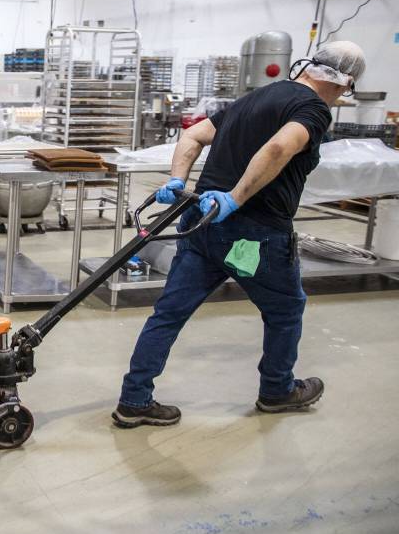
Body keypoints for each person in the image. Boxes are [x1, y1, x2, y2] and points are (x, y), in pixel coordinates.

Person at [112, 41, 367, 428]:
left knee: (169, 313)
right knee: (285, 311)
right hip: (255, 234)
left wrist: (177, 180)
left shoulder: (255, 97)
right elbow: (280, 147)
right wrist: (235, 198)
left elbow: (192, 136)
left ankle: (134, 400)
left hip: (202, 223)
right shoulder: (313, 109)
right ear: (344, 82)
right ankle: (277, 391)